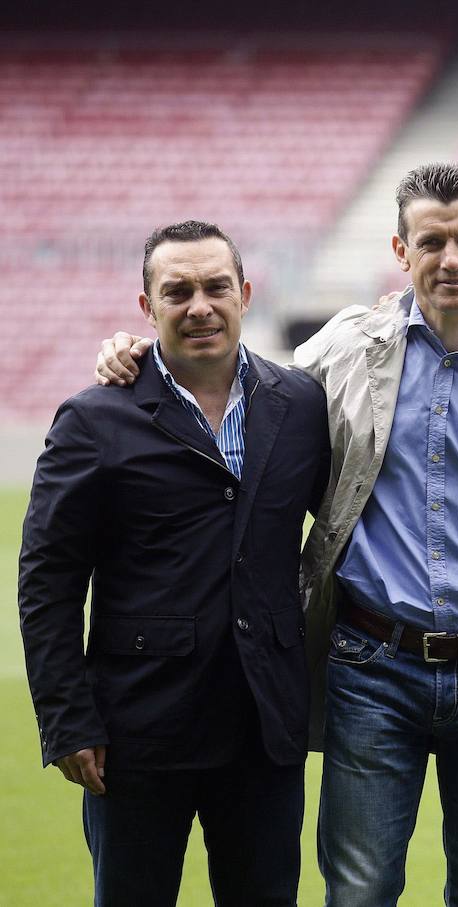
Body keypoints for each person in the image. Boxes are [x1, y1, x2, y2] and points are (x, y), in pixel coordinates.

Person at [92, 163, 458, 907]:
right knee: (359, 891)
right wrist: (141, 353)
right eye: (431, 242)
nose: (452, 259)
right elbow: (239, 385)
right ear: (401, 251)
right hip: (372, 669)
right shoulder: (344, 350)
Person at [19, 220, 331, 905]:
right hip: (137, 732)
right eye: (177, 291)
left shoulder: (302, 405)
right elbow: (48, 580)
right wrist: (67, 718)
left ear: (245, 293)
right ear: (146, 306)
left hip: (264, 728)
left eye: (216, 287)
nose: (200, 306)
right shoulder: (94, 420)